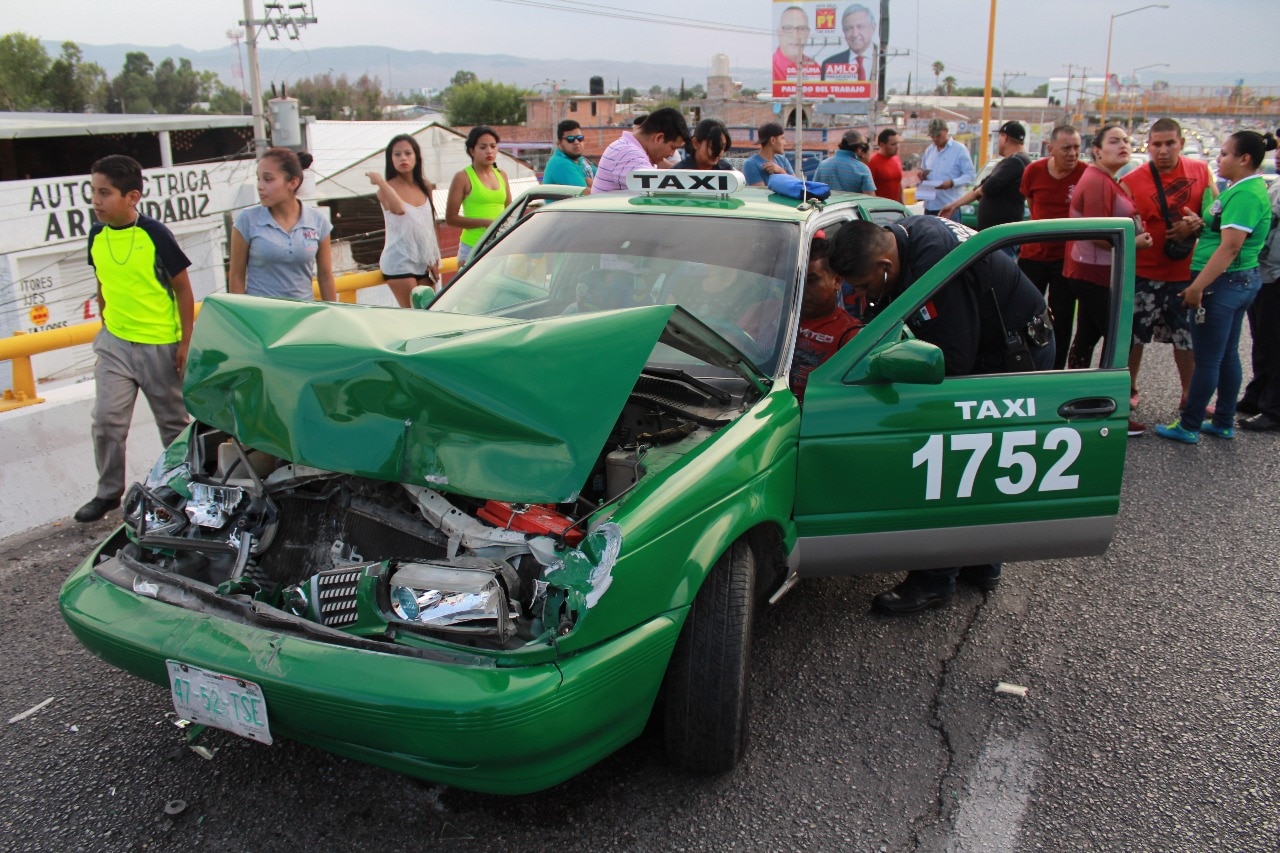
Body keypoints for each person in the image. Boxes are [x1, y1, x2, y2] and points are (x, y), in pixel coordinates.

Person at [828, 216, 1054, 614]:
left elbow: (950, 363)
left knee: (953, 459)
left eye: (863, 288)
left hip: (1013, 353)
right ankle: (980, 562)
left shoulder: (933, 265)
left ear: (884, 267)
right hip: (1001, 339)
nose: (860, 297)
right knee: (983, 459)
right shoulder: (904, 238)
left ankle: (934, 581)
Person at [75, 155, 193, 523]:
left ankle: (182, 489)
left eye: (105, 193)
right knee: (107, 421)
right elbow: (102, 282)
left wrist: (185, 342)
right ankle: (109, 493)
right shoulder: (96, 234)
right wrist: (107, 321)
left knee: (173, 426)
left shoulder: (155, 234)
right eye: (93, 192)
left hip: (160, 345)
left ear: (132, 196)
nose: (96, 201)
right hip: (114, 344)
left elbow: (184, 291)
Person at [1156, 130, 1275, 444]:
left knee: (1208, 358)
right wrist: (1202, 221)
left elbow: (1231, 247)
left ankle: (1189, 424)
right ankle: (1222, 421)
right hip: (1234, 282)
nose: (1217, 159)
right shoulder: (1239, 189)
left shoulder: (1247, 194)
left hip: (1224, 284)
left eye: (1224, 154)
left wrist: (1197, 286)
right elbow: (1223, 230)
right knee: (1226, 355)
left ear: (1244, 159)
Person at [1121, 118, 1214, 415]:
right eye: (1156, 144)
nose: (1162, 150)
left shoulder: (1201, 172)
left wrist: (1197, 224)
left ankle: (1190, 395)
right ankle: (1130, 390)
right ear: (1148, 147)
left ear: (1181, 144)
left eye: (1169, 143)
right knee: (1135, 337)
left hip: (1185, 275)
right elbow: (1125, 225)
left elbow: (1216, 218)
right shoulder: (1132, 181)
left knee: (1186, 340)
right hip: (1143, 274)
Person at [1061, 126, 1154, 389]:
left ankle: (1078, 392)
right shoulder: (1097, 180)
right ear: (1097, 151)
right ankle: (1110, 398)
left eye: (1126, 140)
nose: (1122, 145)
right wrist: (1134, 243)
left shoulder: (1107, 179)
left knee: (1087, 337)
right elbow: (1097, 233)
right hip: (1093, 273)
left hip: (1097, 272)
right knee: (1118, 339)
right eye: (1114, 141)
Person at [1018, 125, 1088, 372]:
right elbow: (1032, 203)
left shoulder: (1085, 173)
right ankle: (1024, 363)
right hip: (1033, 256)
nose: (1073, 153)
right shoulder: (1033, 171)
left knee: (1063, 317)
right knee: (1025, 312)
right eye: (1066, 147)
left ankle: (1056, 369)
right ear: (1051, 149)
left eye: (1077, 147)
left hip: (1066, 260)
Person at [230, 148, 336, 301]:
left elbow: (325, 276)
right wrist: (239, 320)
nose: (260, 186)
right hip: (261, 319)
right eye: (258, 178)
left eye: (268, 179)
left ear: (292, 183)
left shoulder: (318, 221)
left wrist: (332, 316)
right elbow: (237, 277)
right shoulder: (247, 220)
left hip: (304, 317)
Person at [366, 134, 441, 306]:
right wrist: (380, 181)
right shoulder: (385, 190)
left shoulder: (425, 186)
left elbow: (430, 225)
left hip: (423, 262)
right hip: (399, 262)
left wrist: (434, 258)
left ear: (416, 157)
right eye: (397, 154)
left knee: (431, 311)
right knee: (414, 315)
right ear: (390, 159)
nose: (403, 158)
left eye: (408, 153)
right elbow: (398, 209)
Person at [790, 236, 861, 401]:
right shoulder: (767, 310)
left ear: (837, 281)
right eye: (797, 280)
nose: (801, 290)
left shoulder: (850, 335)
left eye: (811, 281)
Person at [1237, 174, 1280, 431]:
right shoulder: (1274, 185)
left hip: (1276, 274)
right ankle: (1257, 395)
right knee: (1263, 339)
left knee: (1275, 341)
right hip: (1264, 272)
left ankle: (1274, 409)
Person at [939, 121, 1030, 230]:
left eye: (999, 137)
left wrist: (980, 191)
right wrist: (954, 206)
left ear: (1004, 137)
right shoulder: (1009, 161)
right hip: (993, 233)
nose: (998, 142)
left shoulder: (1017, 161)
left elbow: (989, 186)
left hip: (1001, 234)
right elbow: (981, 186)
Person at [446, 126, 512, 263]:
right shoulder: (462, 177)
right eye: (483, 147)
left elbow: (510, 210)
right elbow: (451, 218)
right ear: (472, 151)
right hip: (473, 246)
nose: (489, 151)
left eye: (493, 146)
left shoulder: (502, 175)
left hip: (499, 245)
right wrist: (483, 222)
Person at [590, 107, 689, 193]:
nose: (672, 154)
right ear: (658, 138)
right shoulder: (628, 155)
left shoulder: (626, 148)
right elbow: (663, 192)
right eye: (672, 148)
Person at [917, 118, 975, 218]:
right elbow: (923, 169)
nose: (935, 139)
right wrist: (922, 175)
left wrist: (952, 183)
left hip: (949, 207)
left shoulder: (959, 150)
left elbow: (970, 175)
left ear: (946, 131)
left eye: (938, 135)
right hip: (929, 205)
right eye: (932, 136)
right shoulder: (930, 150)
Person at [820, 4, 878, 82]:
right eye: (849, 28)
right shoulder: (830, 63)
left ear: (873, 27)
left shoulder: (886, 58)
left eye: (860, 26)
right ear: (844, 32)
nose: (855, 34)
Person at [542, 119, 595, 189]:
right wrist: (595, 184)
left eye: (580, 138)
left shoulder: (582, 160)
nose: (576, 142)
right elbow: (588, 195)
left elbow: (606, 183)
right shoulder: (560, 163)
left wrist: (593, 184)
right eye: (570, 139)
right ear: (559, 143)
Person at [772, 5, 818, 82]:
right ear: (778, 32)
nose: (795, 35)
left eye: (801, 29)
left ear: (808, 33)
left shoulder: (816, 67)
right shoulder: (772, 69)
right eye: (788, 28)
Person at [743, 122, 794, 187]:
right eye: (782, 138)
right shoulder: (751, 164)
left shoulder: (782, 160)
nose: (785, 143)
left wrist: (781, 171)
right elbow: (762, 194)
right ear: (772, 140)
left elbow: (797, 185)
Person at [867, 128, 904, 202]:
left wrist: (903, 205)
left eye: (897, 143)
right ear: (882, 145)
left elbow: (899, 184)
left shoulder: (897, 159)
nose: (897, 147)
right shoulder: (872, 162)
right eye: (893, 144)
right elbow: (868, 190)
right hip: (881, 209)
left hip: (896, 209)